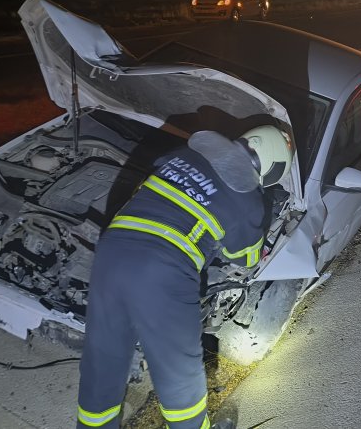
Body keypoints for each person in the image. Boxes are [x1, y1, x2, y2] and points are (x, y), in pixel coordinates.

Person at [75, 126, 294, 429]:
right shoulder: (247, 199)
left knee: (104, 359)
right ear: (273, 167)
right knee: (179, 376)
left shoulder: (186, 155)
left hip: (113, 251)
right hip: (162, 270)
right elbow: (245, 258)